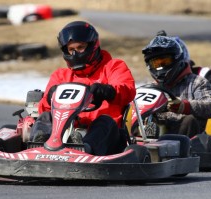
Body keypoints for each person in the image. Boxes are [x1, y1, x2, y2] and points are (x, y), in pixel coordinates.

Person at [30, 21, 136, 155]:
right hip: (67, 134)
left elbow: (128, 90)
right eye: (71, 49)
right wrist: (50, 97)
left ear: (93, 46)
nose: (75, 54)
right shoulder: (61, 75)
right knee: (46, 117)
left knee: (104, 121)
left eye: (80, 47)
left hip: (107, 138)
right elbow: (43, 109)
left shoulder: (113, 67)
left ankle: (84, 149)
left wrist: (107, 91)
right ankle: (38, 146)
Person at [141, 35, 211, 138]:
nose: (160, 67)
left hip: (188, 141)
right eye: (156, 64)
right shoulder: (152, 88)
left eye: (165, 62)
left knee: (190, 119)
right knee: (144, 122)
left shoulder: (197, 82)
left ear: (177, 59)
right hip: (158, 137)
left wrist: (184, 106)